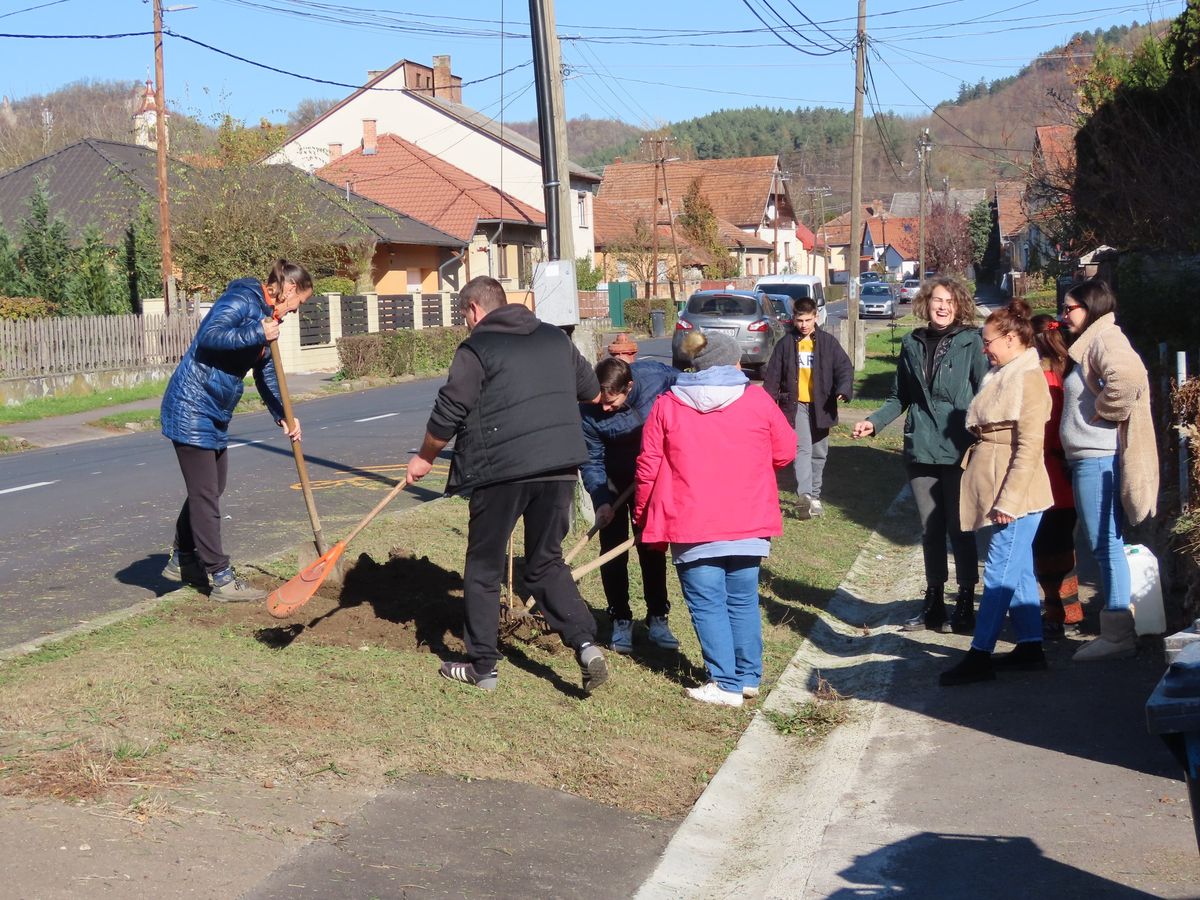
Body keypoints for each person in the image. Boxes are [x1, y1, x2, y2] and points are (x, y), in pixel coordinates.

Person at [405, 276, 609, 694]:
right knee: (545, 562)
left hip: (500, 470)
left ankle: (482, 667)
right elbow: (590, 390)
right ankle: (586, 643)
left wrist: (425, 457)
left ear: (474, 310)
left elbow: (449, 410)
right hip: (558, 469)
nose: (466, 324)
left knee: (482, 567)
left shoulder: (477, 347)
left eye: (465, 316)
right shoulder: (555, 339)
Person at [634, 331, 796, 707]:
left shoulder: (667, 405)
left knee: (707, 603)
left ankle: (725, 684)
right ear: (731, 363)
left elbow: (648, 469)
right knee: (741, 601)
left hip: (691, 523)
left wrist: (643, 514)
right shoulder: (757, 400)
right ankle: (747, 677)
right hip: (748, 518)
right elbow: (786, 451)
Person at [160, 259, 310, 602]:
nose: (296, 311)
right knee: (206, 494)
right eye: (299, 302)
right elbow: (210, 336)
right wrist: (258, 331)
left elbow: (267, 374)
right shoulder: (242, 300)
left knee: (213, 487)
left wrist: (284, 414)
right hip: (190, 405)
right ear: (288, 289)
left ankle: (183, 557)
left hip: (213, 409)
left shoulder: (270, 319)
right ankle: (221, 577)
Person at [852, 276, 989, 633]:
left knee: (960, 530)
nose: (942, 307)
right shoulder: (912, 343)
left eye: (950, 301)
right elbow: (900, 396)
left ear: (960, 307)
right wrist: (874, 421)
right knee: (930, 529)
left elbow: (987, 393)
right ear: (926, 304)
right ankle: (933, 602)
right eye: (936, 300)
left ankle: (965, 601)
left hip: (959, 448)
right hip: (921, 448)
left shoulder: (971, 342)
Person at [940, 301, 1053, 686]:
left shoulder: (1028, 377)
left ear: (1010, 338)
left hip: (1017, 493)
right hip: (997, 484)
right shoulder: (1004, 372)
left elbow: (1029, 447)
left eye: (988, 341)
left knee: (1000, 572)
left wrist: (1010, 499)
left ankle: (980, 654)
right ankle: (1030, 647)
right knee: (1017, 570)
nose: (984, 348)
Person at [1060, 279, 1158, 661]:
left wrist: (1104, 411)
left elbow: (1129, 379)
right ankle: (1117, 631)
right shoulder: (1095, 339)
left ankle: (1117, 635)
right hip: (1091, 457)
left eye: (1070, 309)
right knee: (1106, 542)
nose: (1064, 316)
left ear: (1091, 308)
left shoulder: (1105, 339)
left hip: (1098, 458)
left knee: (1105, 544)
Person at [580, 355, 679, 653]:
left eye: (612, 402)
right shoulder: (588, 409)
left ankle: (658, 617)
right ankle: (620, 618)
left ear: (630, 386)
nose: (606, 408)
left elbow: (687, 388)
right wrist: (601, 501)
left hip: (648, 480)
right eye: (602, 402)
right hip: (611, 480)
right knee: (612, 552)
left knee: (651, 546)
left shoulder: (656, 377)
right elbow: (592, 460)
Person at [763, 296, 853, 519]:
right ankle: (804, 496)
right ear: (793, 319)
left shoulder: (827, 343)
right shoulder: (785, 345)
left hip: (822, 406)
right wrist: (766, 405)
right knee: (802, 448)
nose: (803, 325)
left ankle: (815, 495)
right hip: (795, 406)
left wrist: (842, 388)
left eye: (807, 320)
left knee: (819, 452)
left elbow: (844, 367)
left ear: (816, 317)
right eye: (799, 320)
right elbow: (773, 376)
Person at [1031, 314, 1083, 639]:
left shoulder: (1040, 378)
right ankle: (1072, 612)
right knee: (1064, 543)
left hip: (1045, 472)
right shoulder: (1071, 372)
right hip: (1068, 472)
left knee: (1044, 547)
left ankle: (1054, 610)